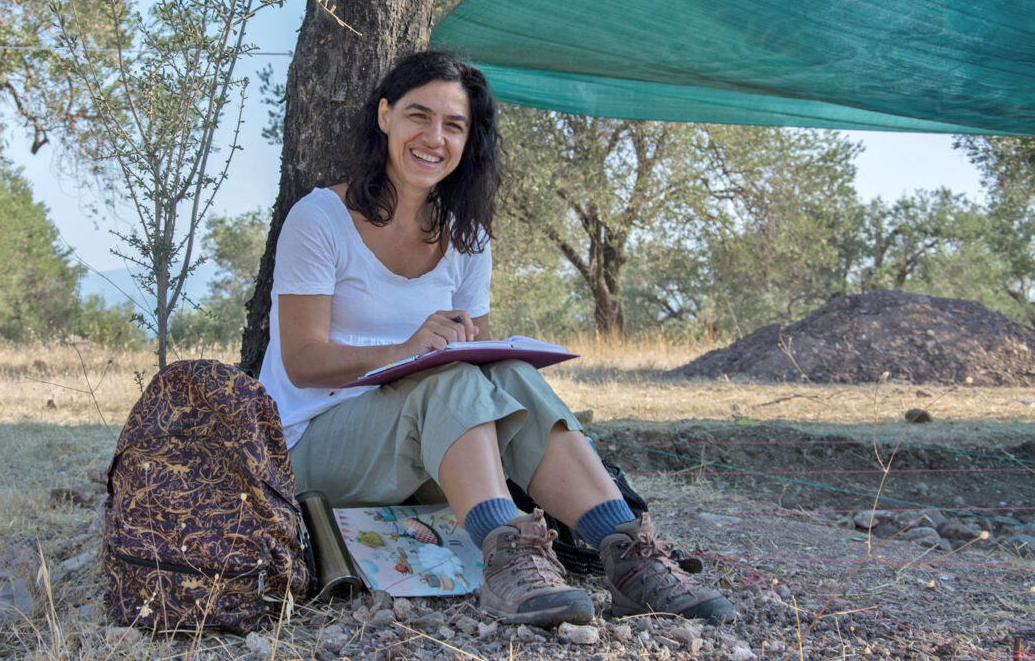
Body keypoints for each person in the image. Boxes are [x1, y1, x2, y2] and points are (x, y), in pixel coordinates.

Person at [258, 51, 734, 627]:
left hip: (426, 448)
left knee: (508, 375)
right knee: (448, 375)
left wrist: (476, 352)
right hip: (315, 451)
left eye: (453, 125)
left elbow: (475, 368)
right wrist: (406, 351)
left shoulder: (468, 237)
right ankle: (507, 554)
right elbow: (302, 360)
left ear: (467, 139)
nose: (434, 137)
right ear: (385, 116)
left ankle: (628, 553)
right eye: (418, 115)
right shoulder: (321, 218)